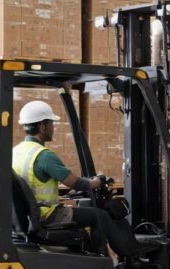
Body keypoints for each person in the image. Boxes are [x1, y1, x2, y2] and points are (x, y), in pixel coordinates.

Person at [12, 99, 144, 259]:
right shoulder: (43, 155)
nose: (53, 128)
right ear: (42, 126)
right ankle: (108, 260)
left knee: (88, 218)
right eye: (51, 124)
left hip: (26, 215)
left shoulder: (16, 152)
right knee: (100, 216)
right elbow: (76, 183)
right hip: (47, 216)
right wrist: (98, 181)